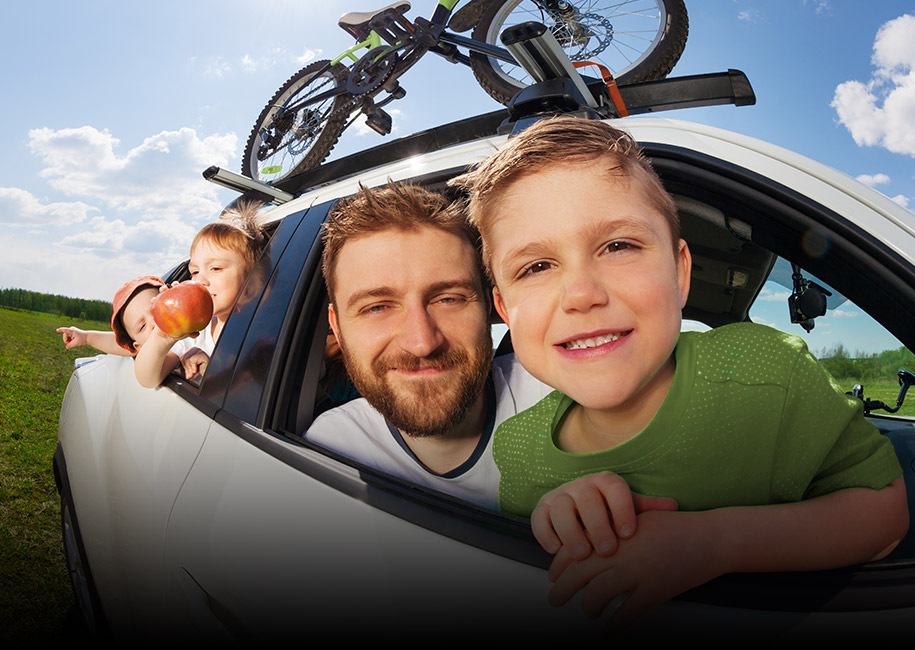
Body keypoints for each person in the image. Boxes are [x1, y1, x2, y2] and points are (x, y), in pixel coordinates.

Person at [451, 115, 908, 628]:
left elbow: (886, 514)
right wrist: (553, 521)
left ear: (680, 271)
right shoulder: (517, 449)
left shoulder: (766, 369)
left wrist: (715, 542)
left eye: (618, 246)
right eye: (536, 267)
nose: (582, 295)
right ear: (506, 311)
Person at [305, 181, 677, 525]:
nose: (422, 342)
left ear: (489, 308)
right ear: (337, 327)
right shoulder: (330, 447)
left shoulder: (570, 396)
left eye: (448, 299)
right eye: (377, 307)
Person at [133, 201, 268, 387]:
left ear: (253, 284)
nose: (199, 280)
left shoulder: (266, 334)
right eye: (195, 271)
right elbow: (147, 379)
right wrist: (163, 336)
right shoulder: (196, 334)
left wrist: (212, 369)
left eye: (215, 268)